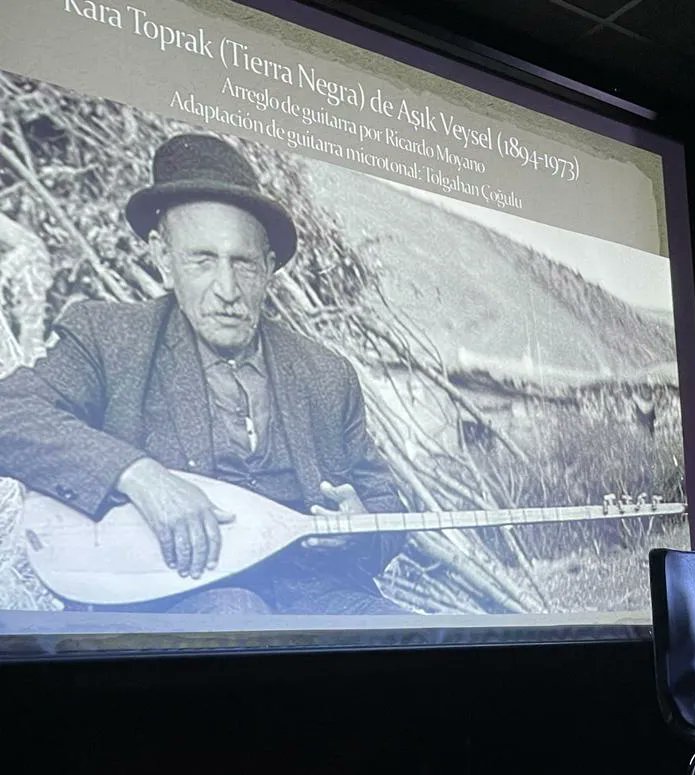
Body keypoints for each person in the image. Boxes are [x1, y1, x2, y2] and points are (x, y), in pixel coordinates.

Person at [0, 132, 402, 615]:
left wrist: (358, 530)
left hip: (316, 594)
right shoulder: (110, 339)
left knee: (414, 640)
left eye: (244, 264)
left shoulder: (326, 374)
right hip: (173, 594)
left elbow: (384, 502)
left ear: (270, 267)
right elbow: (10, 415)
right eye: (203, 260)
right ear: (162, 258)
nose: (227, 289)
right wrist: (138, 475)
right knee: (235, 618)